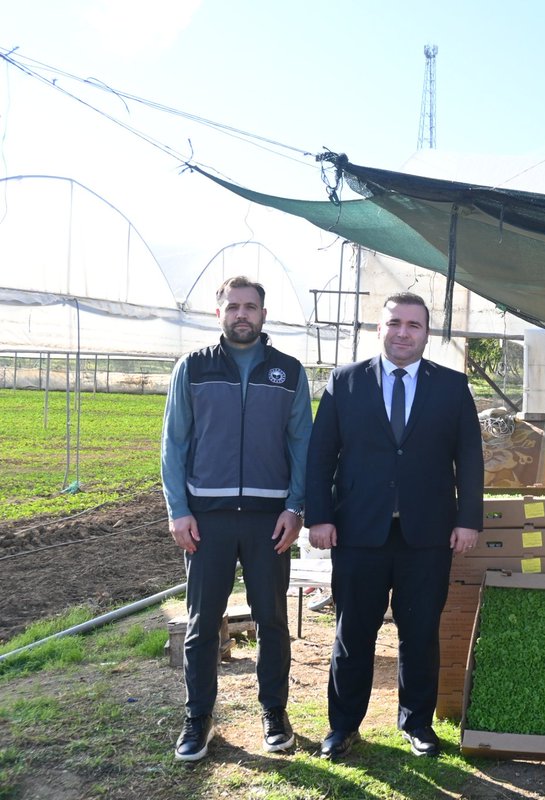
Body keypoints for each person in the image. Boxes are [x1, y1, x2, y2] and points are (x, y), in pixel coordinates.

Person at [306, 292, 483, 760]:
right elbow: (321, 456)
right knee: (353, 633)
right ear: (379, 328)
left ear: (427, 333)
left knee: (421, 633)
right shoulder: (344, 383)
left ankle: (418, 724)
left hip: (427, 535)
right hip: (358, 532)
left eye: (414, 325)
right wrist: (319, 516)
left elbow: (469, 458)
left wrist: (469, 520)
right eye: (394, 323)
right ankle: (343, 726)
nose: (403, 332)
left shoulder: (451, 386)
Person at [161, 275, 312, 762]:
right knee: (204, 624)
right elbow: (175, 443)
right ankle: (198, 718)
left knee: (272, 620)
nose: (242, 314)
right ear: (219, 312)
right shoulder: (194, 368)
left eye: (251, 307)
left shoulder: (288, 372)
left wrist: (295, 507)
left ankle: (274, 712)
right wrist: (179, 511)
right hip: (208, 518)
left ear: (264, 315)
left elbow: (302, 444)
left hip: (270, 518)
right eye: (233, 306)